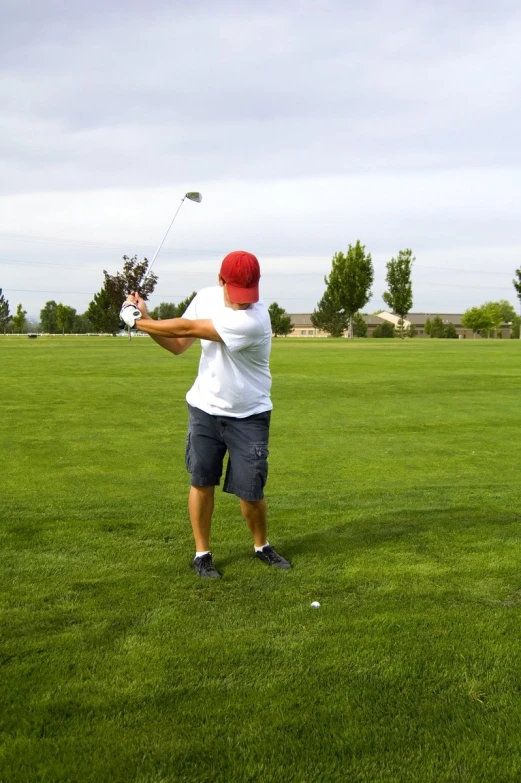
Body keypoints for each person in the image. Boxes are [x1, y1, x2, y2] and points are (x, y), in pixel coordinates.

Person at [121, 250, 291, 579]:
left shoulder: (255, 319)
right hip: (204, 409)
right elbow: (178, 343)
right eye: (238, 293)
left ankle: (261, 546)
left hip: (250, 414)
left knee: (251, 492)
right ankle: (202, 554)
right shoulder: (205, 298)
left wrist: (137, 320)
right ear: (220, 280)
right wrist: (145, 319)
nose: (244, 302)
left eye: (249, 294)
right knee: (201, 482)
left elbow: (187, 327)